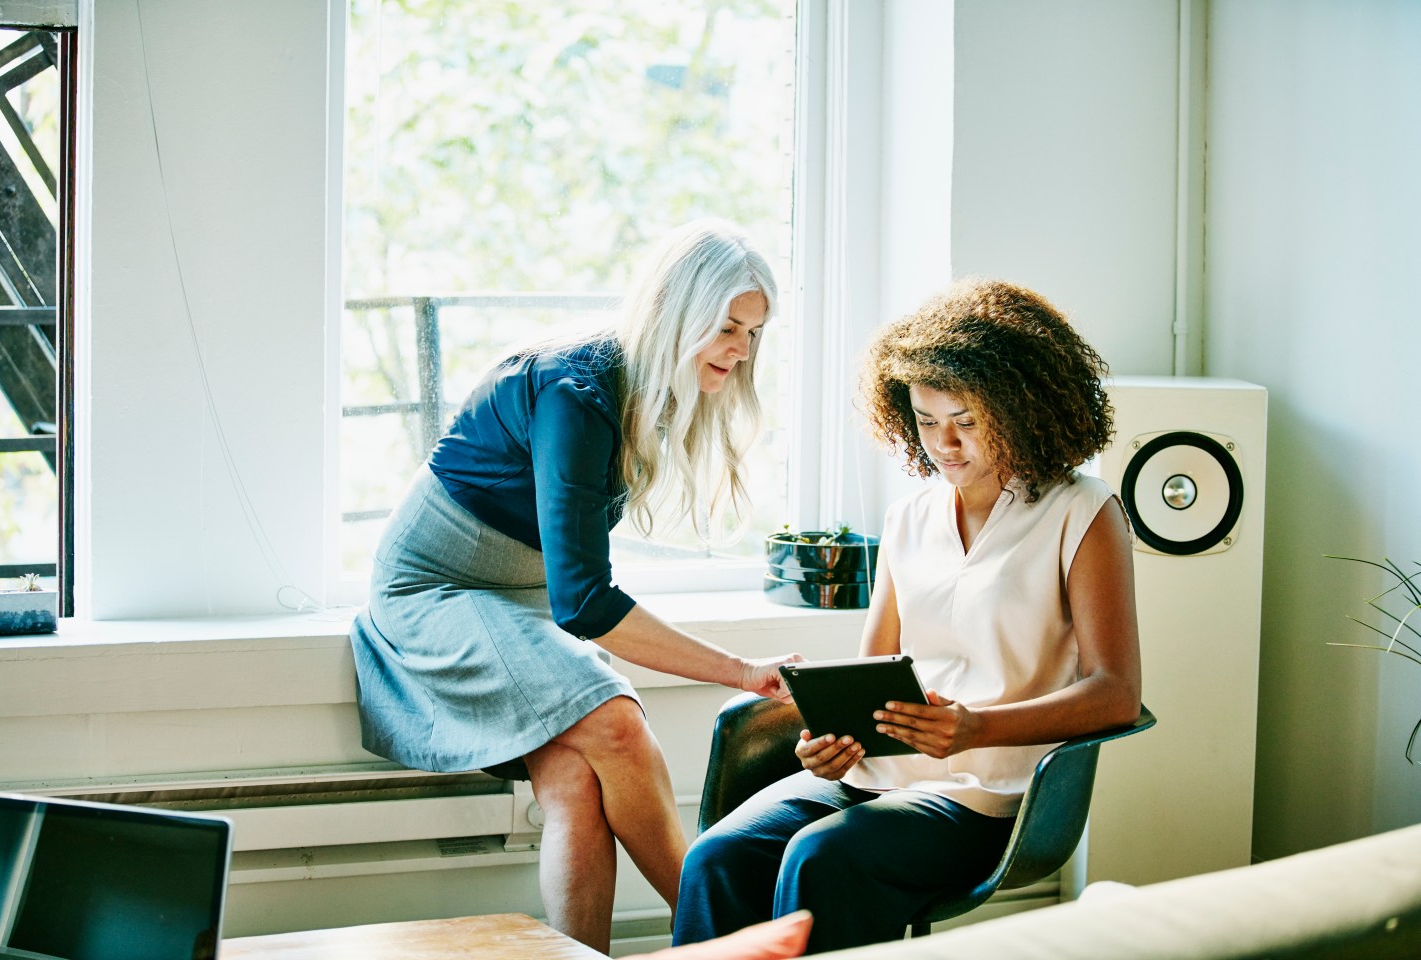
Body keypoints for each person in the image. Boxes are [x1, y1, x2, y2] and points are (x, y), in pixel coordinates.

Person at [349, 219, 797, 953]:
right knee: (616, 722)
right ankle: (733, 939)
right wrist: (744, 672)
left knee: (573, 781)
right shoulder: (577, 388)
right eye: (726, 326)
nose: (742, 349)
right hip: (433, 596)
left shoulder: (641, 386)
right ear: (677, 313)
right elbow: (585, 602)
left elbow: (568, 586)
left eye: (754, 331)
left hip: (513, 601)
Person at [671, 277, 1142, 954]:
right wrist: (831, 744)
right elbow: (872, 672)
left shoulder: (1083, 512)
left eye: (968, 421)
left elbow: (1117, 693)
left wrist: (975, 728)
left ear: (1023, 407)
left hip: (987, 794)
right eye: (925, 421)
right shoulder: (910, 516)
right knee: (716, 859)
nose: (944, 444)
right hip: (878, 778)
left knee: (823, 859)